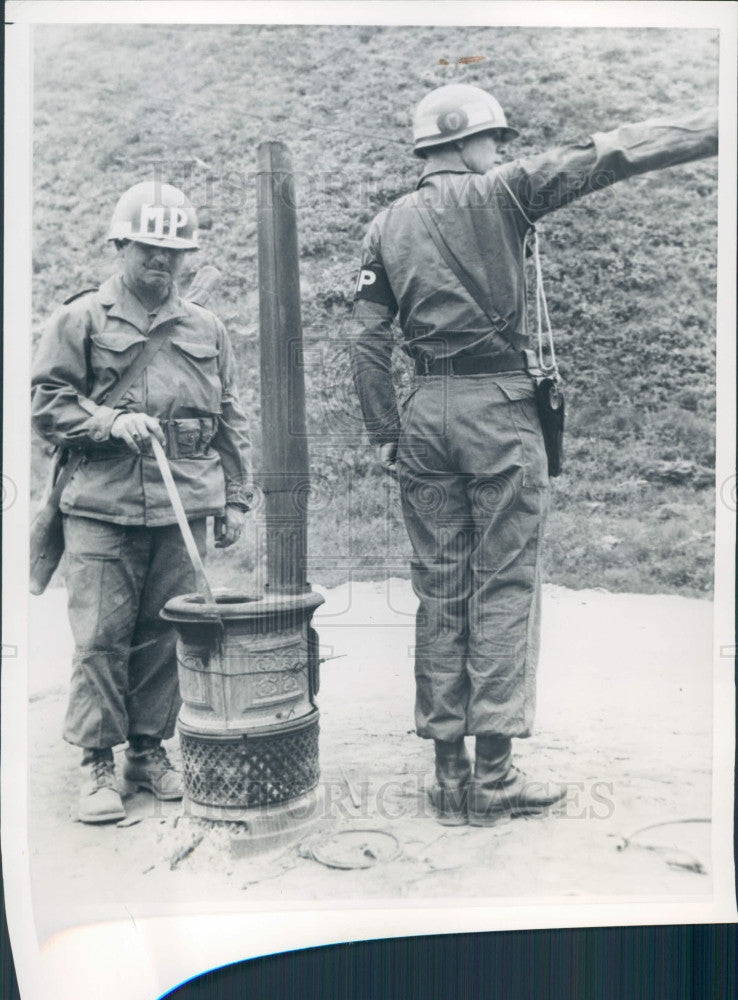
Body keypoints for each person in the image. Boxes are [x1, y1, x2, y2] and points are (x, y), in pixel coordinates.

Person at [349, 83, 717, 827]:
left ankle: (446, 773)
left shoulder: (385, 226)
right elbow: (610, 152)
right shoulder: (508, 191)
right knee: (506, 585)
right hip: (498, 412)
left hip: (423, 415)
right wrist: (716, 128)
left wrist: (387, 432)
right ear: (463, 144)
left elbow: (365, 340)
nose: (501, 149)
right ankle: (493, 775)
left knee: (441, 590)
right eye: (493, 137)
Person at [31, 181, 253, 823]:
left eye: (174, 251)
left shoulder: (206, 327)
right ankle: (97, 760)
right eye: (149, 247)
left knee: (164, 634)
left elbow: (230, 415)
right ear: (121, 245)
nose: (163, 260)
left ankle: (148, 751)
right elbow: (48, 403)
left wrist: (236, 497)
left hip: (186, 499)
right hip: (102, 504)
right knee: (101, 636)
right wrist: (106, 421)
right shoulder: (80, 319)